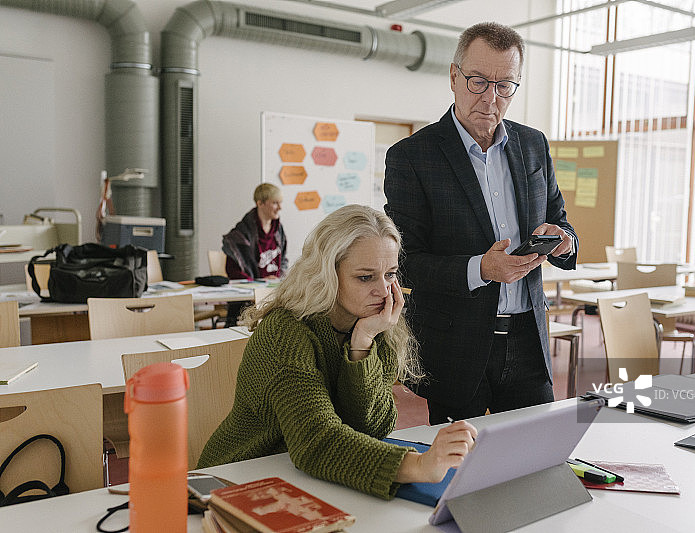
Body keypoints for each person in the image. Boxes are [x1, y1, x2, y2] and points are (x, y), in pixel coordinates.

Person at [197, 205, 477, 499]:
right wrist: (417, 466)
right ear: (327, 274)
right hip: (235, 483)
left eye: (390, 274)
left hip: (309, 480)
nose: (383, 291)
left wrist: (363, 343)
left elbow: (372, 427)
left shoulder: (374, 324)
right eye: (365, 277)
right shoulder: (286, 332)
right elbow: (317, 441)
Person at [384, 22, 578, 425]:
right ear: (454, 77)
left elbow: (559, 219)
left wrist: (562, 241)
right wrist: (481, 268)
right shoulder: (412, 157)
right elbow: (404, 262)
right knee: (458, 473)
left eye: (504, 85)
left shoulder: (533, 145)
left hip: (527, 338)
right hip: (457, 345)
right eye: (477, 81)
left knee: (535, 461)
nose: (490, 98)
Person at [222, 183, 288, 327]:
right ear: (260, 203)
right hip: (249, 298)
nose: (280, 207)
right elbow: (234, 271)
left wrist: (278, 278)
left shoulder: (279, 231)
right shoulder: (240, 234)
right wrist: (261, 282)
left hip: (273, 293)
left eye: (280, 203)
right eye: (275, 203)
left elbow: (283, 260)